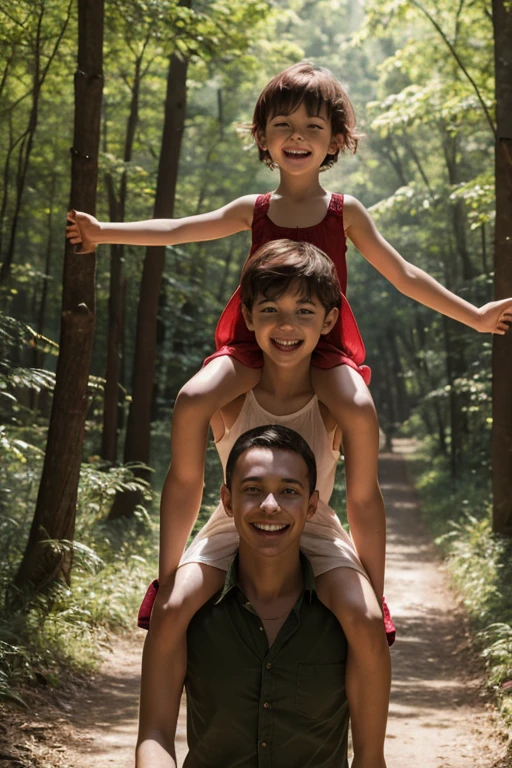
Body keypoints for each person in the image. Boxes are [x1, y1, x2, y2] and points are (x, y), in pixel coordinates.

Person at [66, 62, 512, 604]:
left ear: (336, 141)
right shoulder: (254, 211)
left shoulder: (345, 212)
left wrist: (477, 315)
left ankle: (374, 592)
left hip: (322, 348)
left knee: (360, 410)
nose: (297, 136)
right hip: (254, 343)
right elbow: (179, 229)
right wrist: (102, 232)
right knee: (192, 398)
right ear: (262, 136)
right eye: (282, 124)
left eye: (313, 127)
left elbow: (405, 274)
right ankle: (166, 578)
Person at [137, 240, 390, 768]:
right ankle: (154, 737)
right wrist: (166, 580)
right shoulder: (222, 390)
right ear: (248, 316)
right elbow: (186, 483)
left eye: (304, 310)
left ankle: (371, 757)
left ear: (328, 321)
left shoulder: (343, 398)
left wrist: (373, 590)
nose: (287, 324)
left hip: (313, 520)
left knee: (363, 622)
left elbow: (364, 499)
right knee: (177, 608)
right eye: (270, 309)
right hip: (234, 520)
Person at [138, 424, 355, 768]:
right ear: (227, 501)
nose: (270, 506)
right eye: (253, 489)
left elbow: (371, 758)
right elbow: (155, 735)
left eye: (289, 491)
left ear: (312, 505)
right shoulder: (189, 614)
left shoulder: (346, 620)